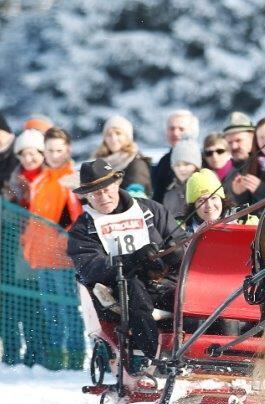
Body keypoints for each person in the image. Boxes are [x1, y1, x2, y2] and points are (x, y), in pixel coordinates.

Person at [67, 159, 185, 383]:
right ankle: (153, 359)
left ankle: (208, 356)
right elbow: (90, 267)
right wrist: (130, 260)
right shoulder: (83, 229)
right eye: (95, 193)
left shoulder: (151, 210)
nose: (103, 197)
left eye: (106, 189)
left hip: (165, 282)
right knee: (132, 290)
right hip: (120, 290)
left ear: (117, 183)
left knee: (193, 296)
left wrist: (166, 254)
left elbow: (180, 244)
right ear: (86, 196)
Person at [21, 127, 86, 369]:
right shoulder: (39, 181)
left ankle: (75, 356)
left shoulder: (72, 179)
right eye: (50, 150)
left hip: (63, 258)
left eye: (59, 150)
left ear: (68, 150)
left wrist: (65, 244)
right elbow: (32, 218)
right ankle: (56, 356)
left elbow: (77, 219)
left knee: (69, 308)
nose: (55, 155)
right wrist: (29, 246)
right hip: (41, 257)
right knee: (50, 310)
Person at [93, 114, 152, 196]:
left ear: (127, 137)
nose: (113, 138)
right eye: (109, 134)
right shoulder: (98, 163)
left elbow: (136, 198)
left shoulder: (137, 164)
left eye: (118, 133)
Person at [151, 109, 199, 203]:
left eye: (181, 129)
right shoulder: (163, 162)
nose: (175, 133)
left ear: (192, 132)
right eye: (172, 128)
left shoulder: (206, 158)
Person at [161, 135, 202, 221]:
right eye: (177, 165)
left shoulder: (203, 189)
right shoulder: (169, 194)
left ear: (196, 166)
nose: (181, 169)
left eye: (187, 164)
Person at [4, 129, 46, 208]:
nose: (27, 159)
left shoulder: (51, 177)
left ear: (42, 154)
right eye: (23, 155)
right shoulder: (14, 180)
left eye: (32, 154)